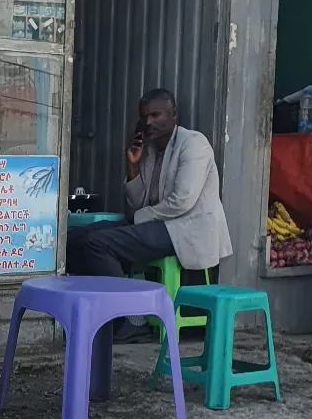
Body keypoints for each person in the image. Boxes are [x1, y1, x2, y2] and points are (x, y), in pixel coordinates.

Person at [67, 88, 232, 280]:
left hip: (186, 228)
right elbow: (136, 206)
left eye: (155, 115)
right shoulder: (149, 149)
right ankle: (95, 300)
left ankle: (124, 307)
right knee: (72, 238)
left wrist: (139, 218)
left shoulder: (194, 143)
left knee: (98, 243)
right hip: (155, 224)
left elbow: (181, 201)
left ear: (173, 114)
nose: (148, 122)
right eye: (144, 116)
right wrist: (133, 166)